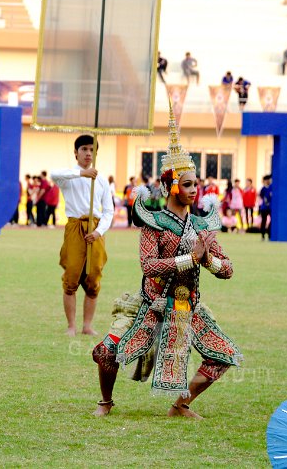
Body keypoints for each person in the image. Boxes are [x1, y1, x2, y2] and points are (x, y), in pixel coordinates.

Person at [91, 108, 241, 419]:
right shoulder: (154, 223)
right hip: (151, 305)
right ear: (171, 185)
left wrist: (209, 259)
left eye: (195, 184)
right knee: (105, 352)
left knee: (223, 356)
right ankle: (105, 401)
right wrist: (190, 258)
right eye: (187, 184)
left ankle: (181, 405)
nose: (193, 190)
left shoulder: (201, 226)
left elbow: (228, 269)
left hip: (187, 308)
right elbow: (149, 265)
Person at [51, 136, 115, 337]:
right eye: (84, 149)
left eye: (92, 149)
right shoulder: (69, 177)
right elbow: (54, 174)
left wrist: (98, 232)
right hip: (75, 227)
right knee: (71, 276)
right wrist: (81, 173)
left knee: (93, 277)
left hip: (95, 229)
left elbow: (108, 211)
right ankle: (71, 326)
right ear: (76, 152)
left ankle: (87, 325)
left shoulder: (102, 181)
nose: (88, 153)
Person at [259, 175, 272, 240]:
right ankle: (263, 235)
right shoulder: (263, 189)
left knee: (272, 221)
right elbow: (261, 197)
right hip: (264, 207)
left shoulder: (272, 187)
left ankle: (269, 233)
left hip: (271, 207)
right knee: (263, 221)